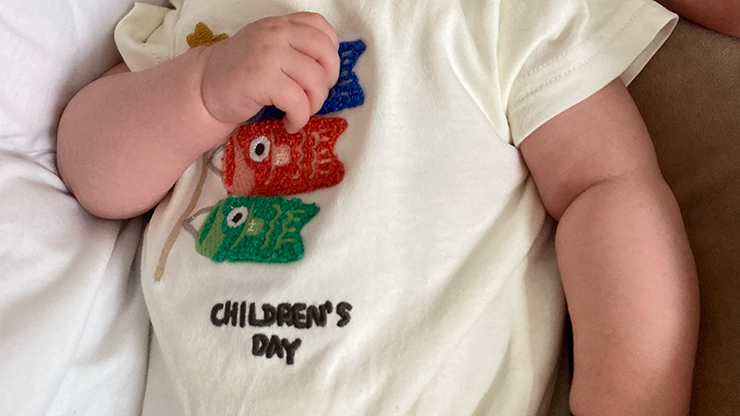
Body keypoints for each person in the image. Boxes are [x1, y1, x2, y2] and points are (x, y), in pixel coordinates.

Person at [56, 0, 699, 414]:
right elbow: (92, 172)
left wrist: (631, 398)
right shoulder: (199, 22)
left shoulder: (506, 13)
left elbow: (609, 191)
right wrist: (200, 90)